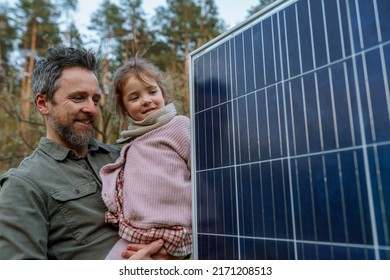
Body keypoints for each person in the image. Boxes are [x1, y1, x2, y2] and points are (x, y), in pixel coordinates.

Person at [0, 45, 169, 260]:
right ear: (43, 103)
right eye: (79, 98)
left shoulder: (125, 156)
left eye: (95, 99)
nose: (91, 109)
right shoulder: (24, 183)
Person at [100, 57, 192, 260]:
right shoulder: (134, 141)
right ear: (124, 108)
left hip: (169, 231)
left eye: (152, 91)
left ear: (162, 94)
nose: (147, 100)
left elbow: (204, 172)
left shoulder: (178, 126)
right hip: (136, 233)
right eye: (134, 97)